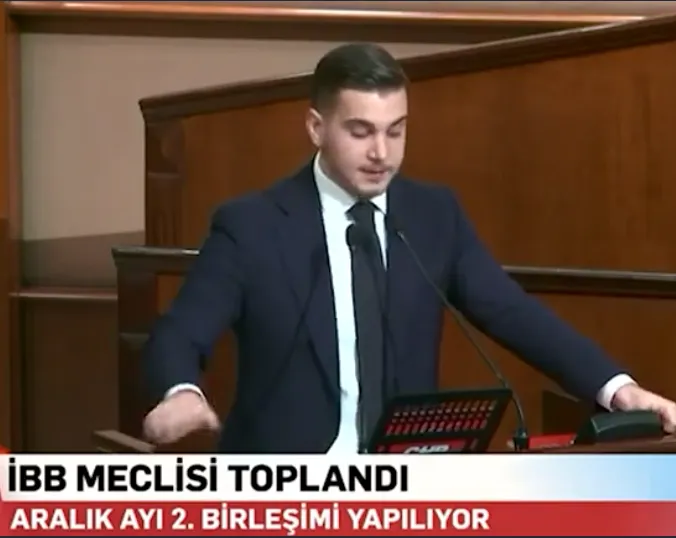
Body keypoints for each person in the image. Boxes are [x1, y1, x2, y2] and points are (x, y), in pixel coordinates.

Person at [142, 42, 676, 453]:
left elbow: (513, 313)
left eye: (395, 131)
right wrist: (180, 391)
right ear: (316, 127)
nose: (382, 153)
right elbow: (181, 330)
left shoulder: (433, 215)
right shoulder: (253, 225)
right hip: (292, 491)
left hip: (410, 485)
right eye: (361, 132)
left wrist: (617, 389)